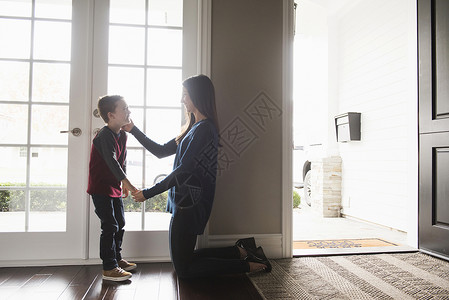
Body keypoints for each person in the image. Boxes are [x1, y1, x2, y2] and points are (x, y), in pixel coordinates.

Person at [123, 75, 271, 278]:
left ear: (197, 96)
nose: (182, 100)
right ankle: (240, 251)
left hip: (190, 205)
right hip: (184, 204)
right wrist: (133, 130)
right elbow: (160, 150)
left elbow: (183, 170)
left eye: (185, 95)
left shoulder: (205, 130)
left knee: (183, 269)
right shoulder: (193, 128)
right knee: (184, 262)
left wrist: (148, 193)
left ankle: (249, 265)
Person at [87, 95, 138, 282]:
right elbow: (110, 161)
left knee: (120, 222)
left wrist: (121, 183)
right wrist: (127, 183)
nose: (128, 112)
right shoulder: (103, 135)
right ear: (111, 115)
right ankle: (109, 267)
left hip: (114, 187)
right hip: (100, 187)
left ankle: (116, 258)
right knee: (109, 225)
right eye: (124, 109)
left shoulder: (122, 134)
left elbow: (121, 161)